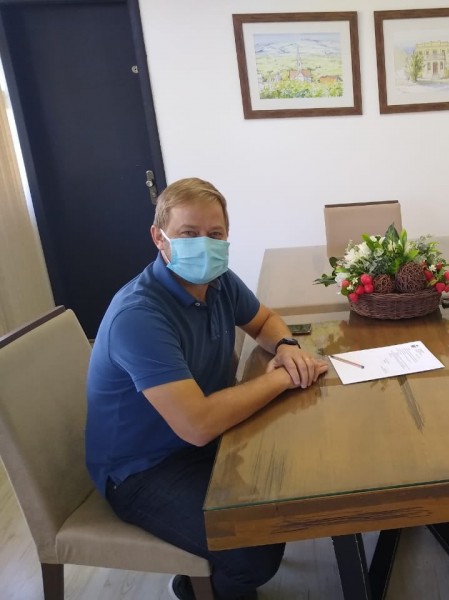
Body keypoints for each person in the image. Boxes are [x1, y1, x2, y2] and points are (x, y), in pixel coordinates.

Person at [85, 177, 328, 600]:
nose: (204, 244)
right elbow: (196, 425)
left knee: (295, 469)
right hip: (143, 468)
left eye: (215, 234)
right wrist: (281, 377)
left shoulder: (219, 281)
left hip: (206, 437)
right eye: (188, 233)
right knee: (255, 549)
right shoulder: (140, 316)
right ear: (159, 238)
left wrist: (286, 346)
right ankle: (197, 589)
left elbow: (264, 320)